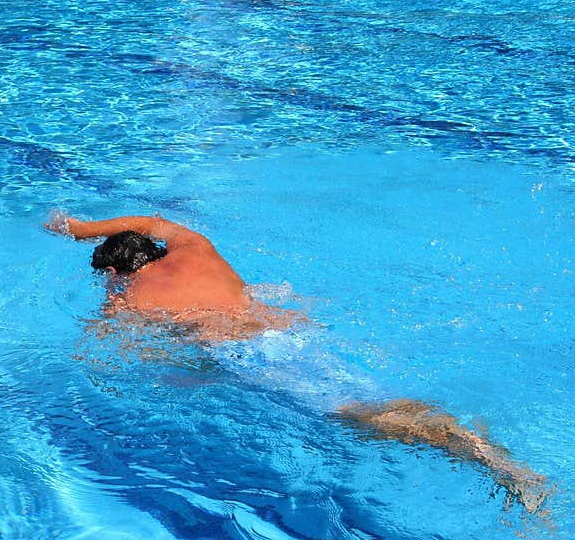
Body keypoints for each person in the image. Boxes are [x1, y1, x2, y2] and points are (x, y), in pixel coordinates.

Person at [44, 212, 550, 514]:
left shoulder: (129, 297)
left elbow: (106, 354)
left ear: (114, 271)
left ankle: (491, 459)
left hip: (253, 357)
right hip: (284, 329)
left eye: (108, 278)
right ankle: (476, 445)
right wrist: (83, 227)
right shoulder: (195, 248)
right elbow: (151, 221)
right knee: (359, 396)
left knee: (359, 414)